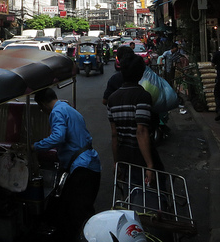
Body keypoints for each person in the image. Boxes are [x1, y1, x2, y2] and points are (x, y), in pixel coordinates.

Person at [32, 88, 101, 241]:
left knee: (79, 213)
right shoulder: (67, 108)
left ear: (43, 104)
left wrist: (35, 146)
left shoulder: (56, 112)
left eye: (41, 107)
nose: (42, 111)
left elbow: (58, 137)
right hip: (89, 164)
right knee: (76, 208)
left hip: (82, 167)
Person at [107, 54, 163, 186]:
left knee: (130, 194)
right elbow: (141, 131)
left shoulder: (112, 99)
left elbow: (114, 134)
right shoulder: (142, 96)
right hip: (141, 157)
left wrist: (116, 163)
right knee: (151, 195)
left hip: (124, 157)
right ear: (141, 73)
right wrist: (150, 165)